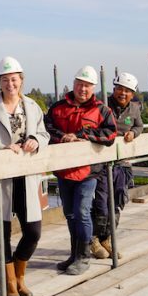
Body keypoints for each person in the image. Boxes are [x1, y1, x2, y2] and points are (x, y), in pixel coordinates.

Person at [0, 56, 49, 296]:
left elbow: (43, 133)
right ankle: (9, 284)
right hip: (1, 178)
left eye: (13, 79)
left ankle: (19, 275)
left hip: (26, 177)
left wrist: (35, 140)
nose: (10, 84)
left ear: (21, 80)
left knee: (33, 231)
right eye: (5, 80)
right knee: (2, 232)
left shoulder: (32, 106)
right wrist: (0, 147)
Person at [44, 65, 117, 276]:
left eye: (86, 86)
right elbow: (47, 128)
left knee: (82, 211)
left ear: (92, 87)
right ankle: (74, 254)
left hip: (88, 171)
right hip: (64, 170)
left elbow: (110, 135)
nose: (82, 89)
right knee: (69, 214)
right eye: (79, 84)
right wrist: (63, 137)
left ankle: (84, 257)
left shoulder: (102, 110)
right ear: (74, 84)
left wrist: (84, 135)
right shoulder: (58, 107)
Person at [89, 72, 144, 260]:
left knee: (117, 202)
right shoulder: (102, 105)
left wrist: (133, 133)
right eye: (120, 89)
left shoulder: (134, 109)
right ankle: (94, 239)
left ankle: (108, 238)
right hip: (102, 164)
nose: (123, 93)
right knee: (101, 204)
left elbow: (139, 126)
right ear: (113, 89)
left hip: (122, 164)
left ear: (132, 93)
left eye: (127, 91)